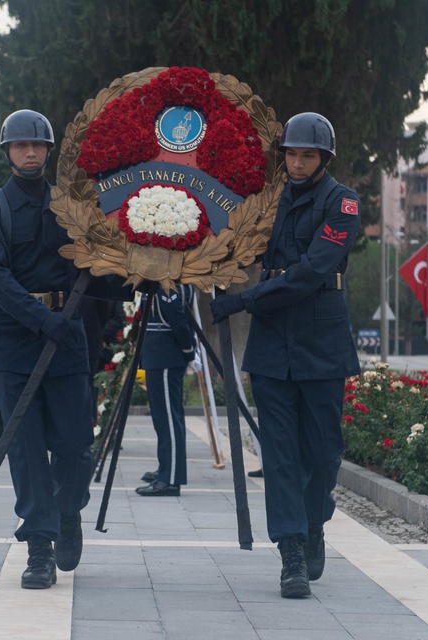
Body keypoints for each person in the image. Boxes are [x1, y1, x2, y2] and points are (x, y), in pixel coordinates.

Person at [0, 109, 130, 589]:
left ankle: (67, 513)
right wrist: (41, 318)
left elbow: (96, 268)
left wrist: (139, 284)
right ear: (8, 152)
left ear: (49, 150)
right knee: (28, 449)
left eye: (37, 145)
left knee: (78, 445)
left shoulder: (73, 207)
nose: (30, 152)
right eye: (21, 146)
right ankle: (39, 546)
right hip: (16, 339)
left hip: (67, 336)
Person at [210, 112, 360, 599]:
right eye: (291, 154)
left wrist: (244, 299)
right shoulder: (265, 204)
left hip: (321, 337)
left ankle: (314, 522)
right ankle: (291, 549)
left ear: (324, 159)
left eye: (307, 155)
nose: (296, 163)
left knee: (323, 452)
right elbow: (230, 242)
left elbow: (311, 271)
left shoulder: (344, 204)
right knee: (278, 454)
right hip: (273, 343)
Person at [135, 284, 196, 497]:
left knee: (169, 420)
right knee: (163, 420)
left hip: (166, 353)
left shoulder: (170, 284)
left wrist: (189, 351)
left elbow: (177, 318)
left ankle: (170, 479)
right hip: (158, 353)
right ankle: (165, 468)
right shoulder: (159, 282)